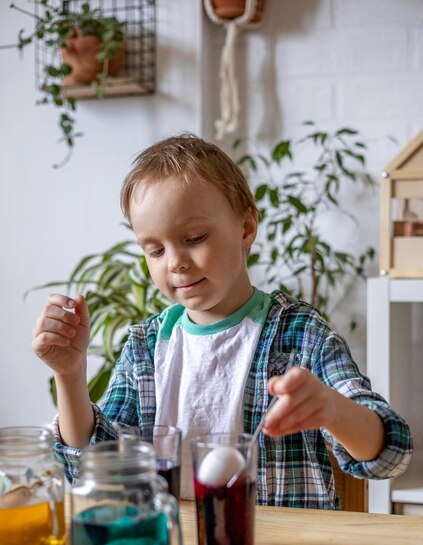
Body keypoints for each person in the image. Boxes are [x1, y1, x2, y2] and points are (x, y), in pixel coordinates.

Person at [32, 133, 412, 508]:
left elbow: (390, 454)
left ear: (246, 228)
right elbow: (95, 468)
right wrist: (69, 374)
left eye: (194, 237)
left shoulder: (302, 335)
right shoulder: (145, 348)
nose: (175, 262)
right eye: (155, 250)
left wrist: (333, 409)